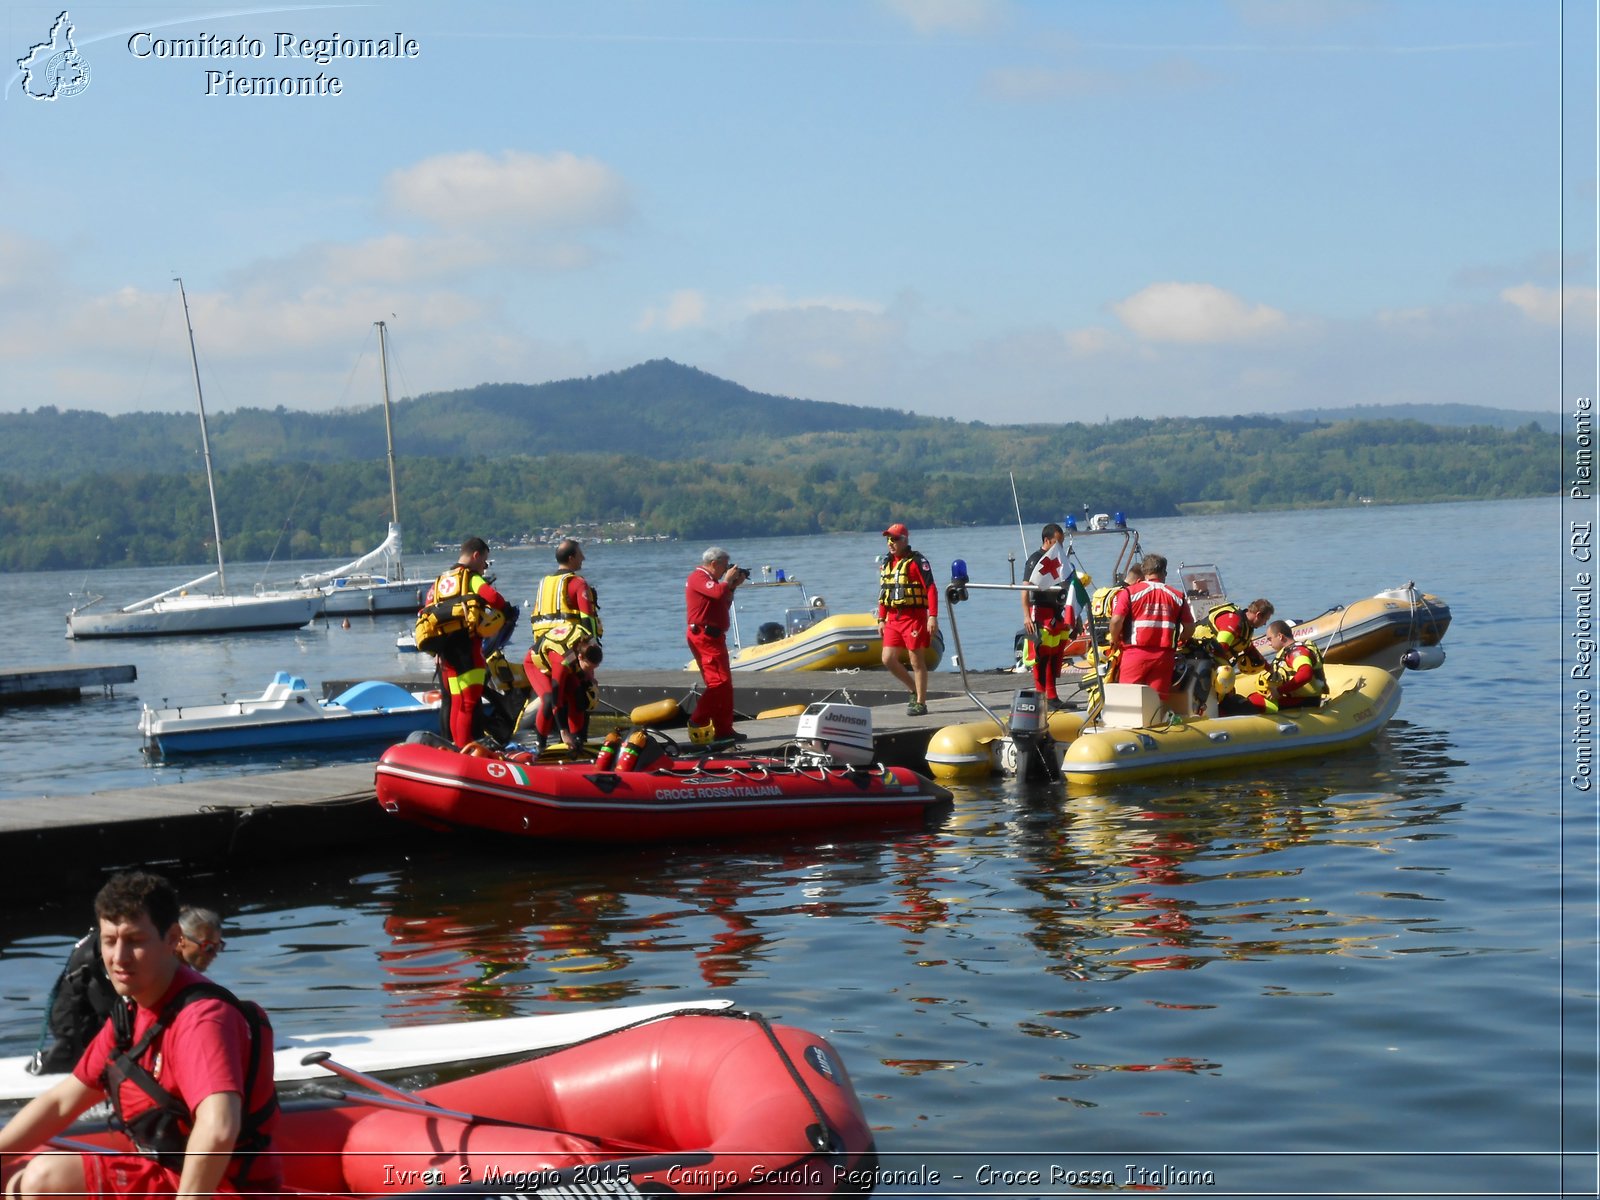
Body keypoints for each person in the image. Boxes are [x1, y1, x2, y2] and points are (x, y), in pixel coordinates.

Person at [0, 871, 279, 1200]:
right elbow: (60, 1104)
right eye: (109, 941)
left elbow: (218, 1127)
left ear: (173, 937)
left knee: (46, 1179)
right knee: (17, 1184)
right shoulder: (132, 1013)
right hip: (166, 1172)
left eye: (135, 941)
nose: (119, 958)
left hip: (222, 1190)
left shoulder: (202, 1020)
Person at [27, 907, 225, 1076]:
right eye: (207, 947)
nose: (215, 954)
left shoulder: (171, 964)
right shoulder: (148, 962)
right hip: (79, 1016)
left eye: (219, 946)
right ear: (179, 938)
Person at [420, 537, 511, 747]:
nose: (483, 568)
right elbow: (492, 597)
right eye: (484, 562)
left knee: (455, 704)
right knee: (469, 704)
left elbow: (426, 608)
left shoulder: (440, 580)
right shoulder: (470, 577)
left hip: (446, 651)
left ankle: (453, 747)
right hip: (468, 649)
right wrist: (505, 611)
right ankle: (465, 747)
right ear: (476, 555)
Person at [685, 547, 749, 745]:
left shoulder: (713, 582)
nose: (725, 571)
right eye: (724, 567)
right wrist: (727, 581)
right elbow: (717, 592)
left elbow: (723, 602)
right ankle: (698, 720)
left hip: (715, 637)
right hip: (703, 637)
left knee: (725, 686)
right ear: (714, 563)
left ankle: (724, 729)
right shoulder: (699, 577)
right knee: (717, 683)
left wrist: (732, 586)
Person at [1106, 553, 1193, 694]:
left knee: (1128, 699)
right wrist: (1181, 639)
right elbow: (1189, 629)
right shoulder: (1177, 596)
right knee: (1156, 703)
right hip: (1164, 657)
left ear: (1144, 572)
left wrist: (1115, 639)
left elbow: (1116, 621)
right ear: (1164, 572)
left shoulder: (1129, 592)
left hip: (1135, 654)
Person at [877, 522, 939, 716]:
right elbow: (884, 592)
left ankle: (921, 702)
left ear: (905, 540)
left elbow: (931, 588)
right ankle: (913, 688)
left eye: (894, 539)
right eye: (889, 539)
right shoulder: (887, 563)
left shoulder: (917, 561)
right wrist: (881, 618)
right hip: (894, 618)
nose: (891, 543)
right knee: (887, 659)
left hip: (914, 616)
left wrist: (933, 616)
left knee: (916, 659)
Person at [1175, 597, 1275, 712]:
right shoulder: (1233, 622)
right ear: (1258, 615)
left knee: (1228, 685)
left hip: (1207, 655)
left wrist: (1269, 668)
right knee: (1225, 674)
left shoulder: (1246, 627)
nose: (1265, 624)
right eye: (1265, 620)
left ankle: (1221, 706)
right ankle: (1208, 707)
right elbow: (1220, 647)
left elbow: (1248, 648)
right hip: (1195, 653)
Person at [1020, 523, 1079, 709]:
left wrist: (1075, 617)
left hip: (1057, 611)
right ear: (1047, 541)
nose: (1059, 547)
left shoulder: (1062, 561)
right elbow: (1025, 588)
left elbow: (1070, 586)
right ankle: (1041, 696)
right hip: (1040, 611)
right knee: (1042, 654)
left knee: (1056, 654)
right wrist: (1026, 616)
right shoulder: (1035, 560)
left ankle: (1052, 696)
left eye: (1061, 542)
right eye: (1057, 542)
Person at [521, 624, 602, 752]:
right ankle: (541, 744)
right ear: (580, 657)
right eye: (589, 668)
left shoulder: (590, 642)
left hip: (569, 659)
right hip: (538, 666)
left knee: (579, 694)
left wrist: (590, 679)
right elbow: (556, 699)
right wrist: (564, 732)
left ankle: (578, 740)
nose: (591, 671)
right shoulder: (562, 660)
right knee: (548, 700)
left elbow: (585, 672)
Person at [529, 539, 602, 647]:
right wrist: (592, 645)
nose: (583, 558)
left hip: (542, 646)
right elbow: (587, 618)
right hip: (568, 645)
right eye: (580, 554)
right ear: (571, 559)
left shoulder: (543, 583)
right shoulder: (578, 583)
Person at [1247, 620, 1328, 713]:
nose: (1269, 643)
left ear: (1280, 636)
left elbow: (1306, 674)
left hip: (1307, 701)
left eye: (1270, 639)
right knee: (1252, 698)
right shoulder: (1287, 652)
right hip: (1295, 697)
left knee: (1254, 702)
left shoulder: (1297, 652)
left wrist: (1279, 691)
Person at [177, 906, 225, 973]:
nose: (214, 955)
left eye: (218, 947)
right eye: (207, 947)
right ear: (180, 939)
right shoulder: (162, 971)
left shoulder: (176, 969)